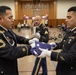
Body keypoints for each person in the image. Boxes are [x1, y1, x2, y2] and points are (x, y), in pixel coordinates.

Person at [0, 5, 38, 75]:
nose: (13, 20)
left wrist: (28, 41)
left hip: (11, 66)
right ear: (0, 19)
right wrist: (31, 47)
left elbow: (16, 37)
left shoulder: (7, 29)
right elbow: (11, 52)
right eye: (10, 18)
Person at [38, 6, 76, 75]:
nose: (66, 20)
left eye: (69, 17)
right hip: (62, 69)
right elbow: (64, 44)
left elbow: (71, 57)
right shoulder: (71, 31)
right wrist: (52, 45)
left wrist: (49, 53)